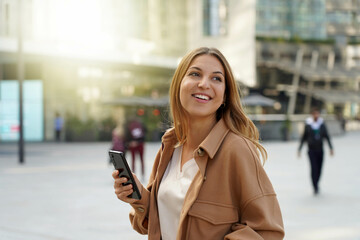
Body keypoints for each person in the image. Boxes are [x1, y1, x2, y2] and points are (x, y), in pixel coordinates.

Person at [112, 47, 284, 239]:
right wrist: (139, 197)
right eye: (195, 74)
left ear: (225, 95)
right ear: (179, 84)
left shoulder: (237, 149)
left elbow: (267, 231)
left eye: (216, 78)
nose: (204, 84)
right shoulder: (170, 145)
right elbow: (160, 222)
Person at [298, 108, 334, 195]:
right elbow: (304, 137)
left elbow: (326, 136)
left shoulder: (322, 124)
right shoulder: (308, 125)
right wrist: (299, 149)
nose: (316, 116)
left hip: (320, 150)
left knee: (319, 168)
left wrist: (331, 148)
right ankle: (315, 186)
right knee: (313, 168)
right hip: (311, 150)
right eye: (314, 114)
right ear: (312, 115)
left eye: (317, 114)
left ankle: (317, 182)